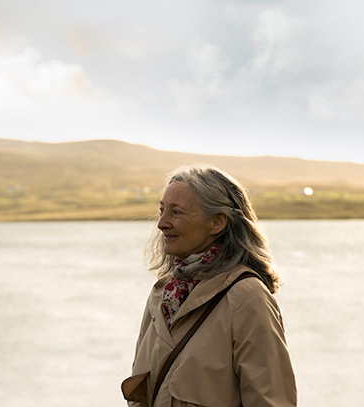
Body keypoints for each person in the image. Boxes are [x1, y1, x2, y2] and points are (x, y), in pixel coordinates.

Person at [121, 164, 297, 407]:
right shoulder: (162, 295)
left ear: (217, 222)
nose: (161, 223)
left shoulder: (247, 296)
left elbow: (270, 401)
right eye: (162, 210)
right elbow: (141, 394)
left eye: (176, 212)